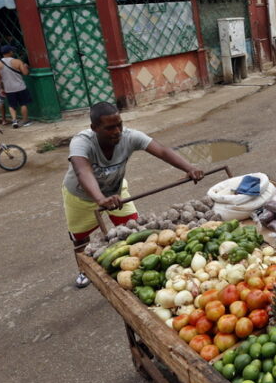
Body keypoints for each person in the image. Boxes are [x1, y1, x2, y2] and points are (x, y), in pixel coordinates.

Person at [64, 102, 204, 288]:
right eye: (109, 128)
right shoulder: (81, 141)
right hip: (81, 196)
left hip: (116, 194)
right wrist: (100, 199)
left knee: (134, 230)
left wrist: (190, 168)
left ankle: (131, 268)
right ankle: (84, 270)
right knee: (81, 238)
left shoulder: (129, 137)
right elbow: (83, 172)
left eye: (119, 124)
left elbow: (162, 151)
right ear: (94, 128)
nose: (117, 131)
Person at [0, 45, 33, 129]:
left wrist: (1, 88)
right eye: (12, 51)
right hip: (20, 87)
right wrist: (26, 67)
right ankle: (25, 120)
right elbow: (25, 73)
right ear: (9, 52)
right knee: (23, 103)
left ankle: (14, 120)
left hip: (9, 88)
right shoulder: (18, 62)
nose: (13, 52)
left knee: (12, 105)